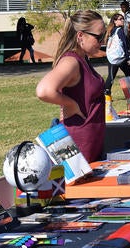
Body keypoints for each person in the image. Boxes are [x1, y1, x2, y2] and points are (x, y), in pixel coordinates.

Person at [36, 10, 106, 163]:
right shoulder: (71, 61)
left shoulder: (82, 59)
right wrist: (71, 104)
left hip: (88, 144)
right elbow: (44, 90)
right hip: (77, 146)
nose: (102, 42)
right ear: (80, 36)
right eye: (99, 36)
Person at [103, 14, 130, 99]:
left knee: (111, 77)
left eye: (123, 19)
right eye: (120, 19)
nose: (122, 20)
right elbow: (124, 45)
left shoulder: (111, 31)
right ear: (115, 21)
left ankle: (106, 96)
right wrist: (128, 58)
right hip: (120, 58)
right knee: (129, 75)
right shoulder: (119, 30)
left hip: (112, 58)